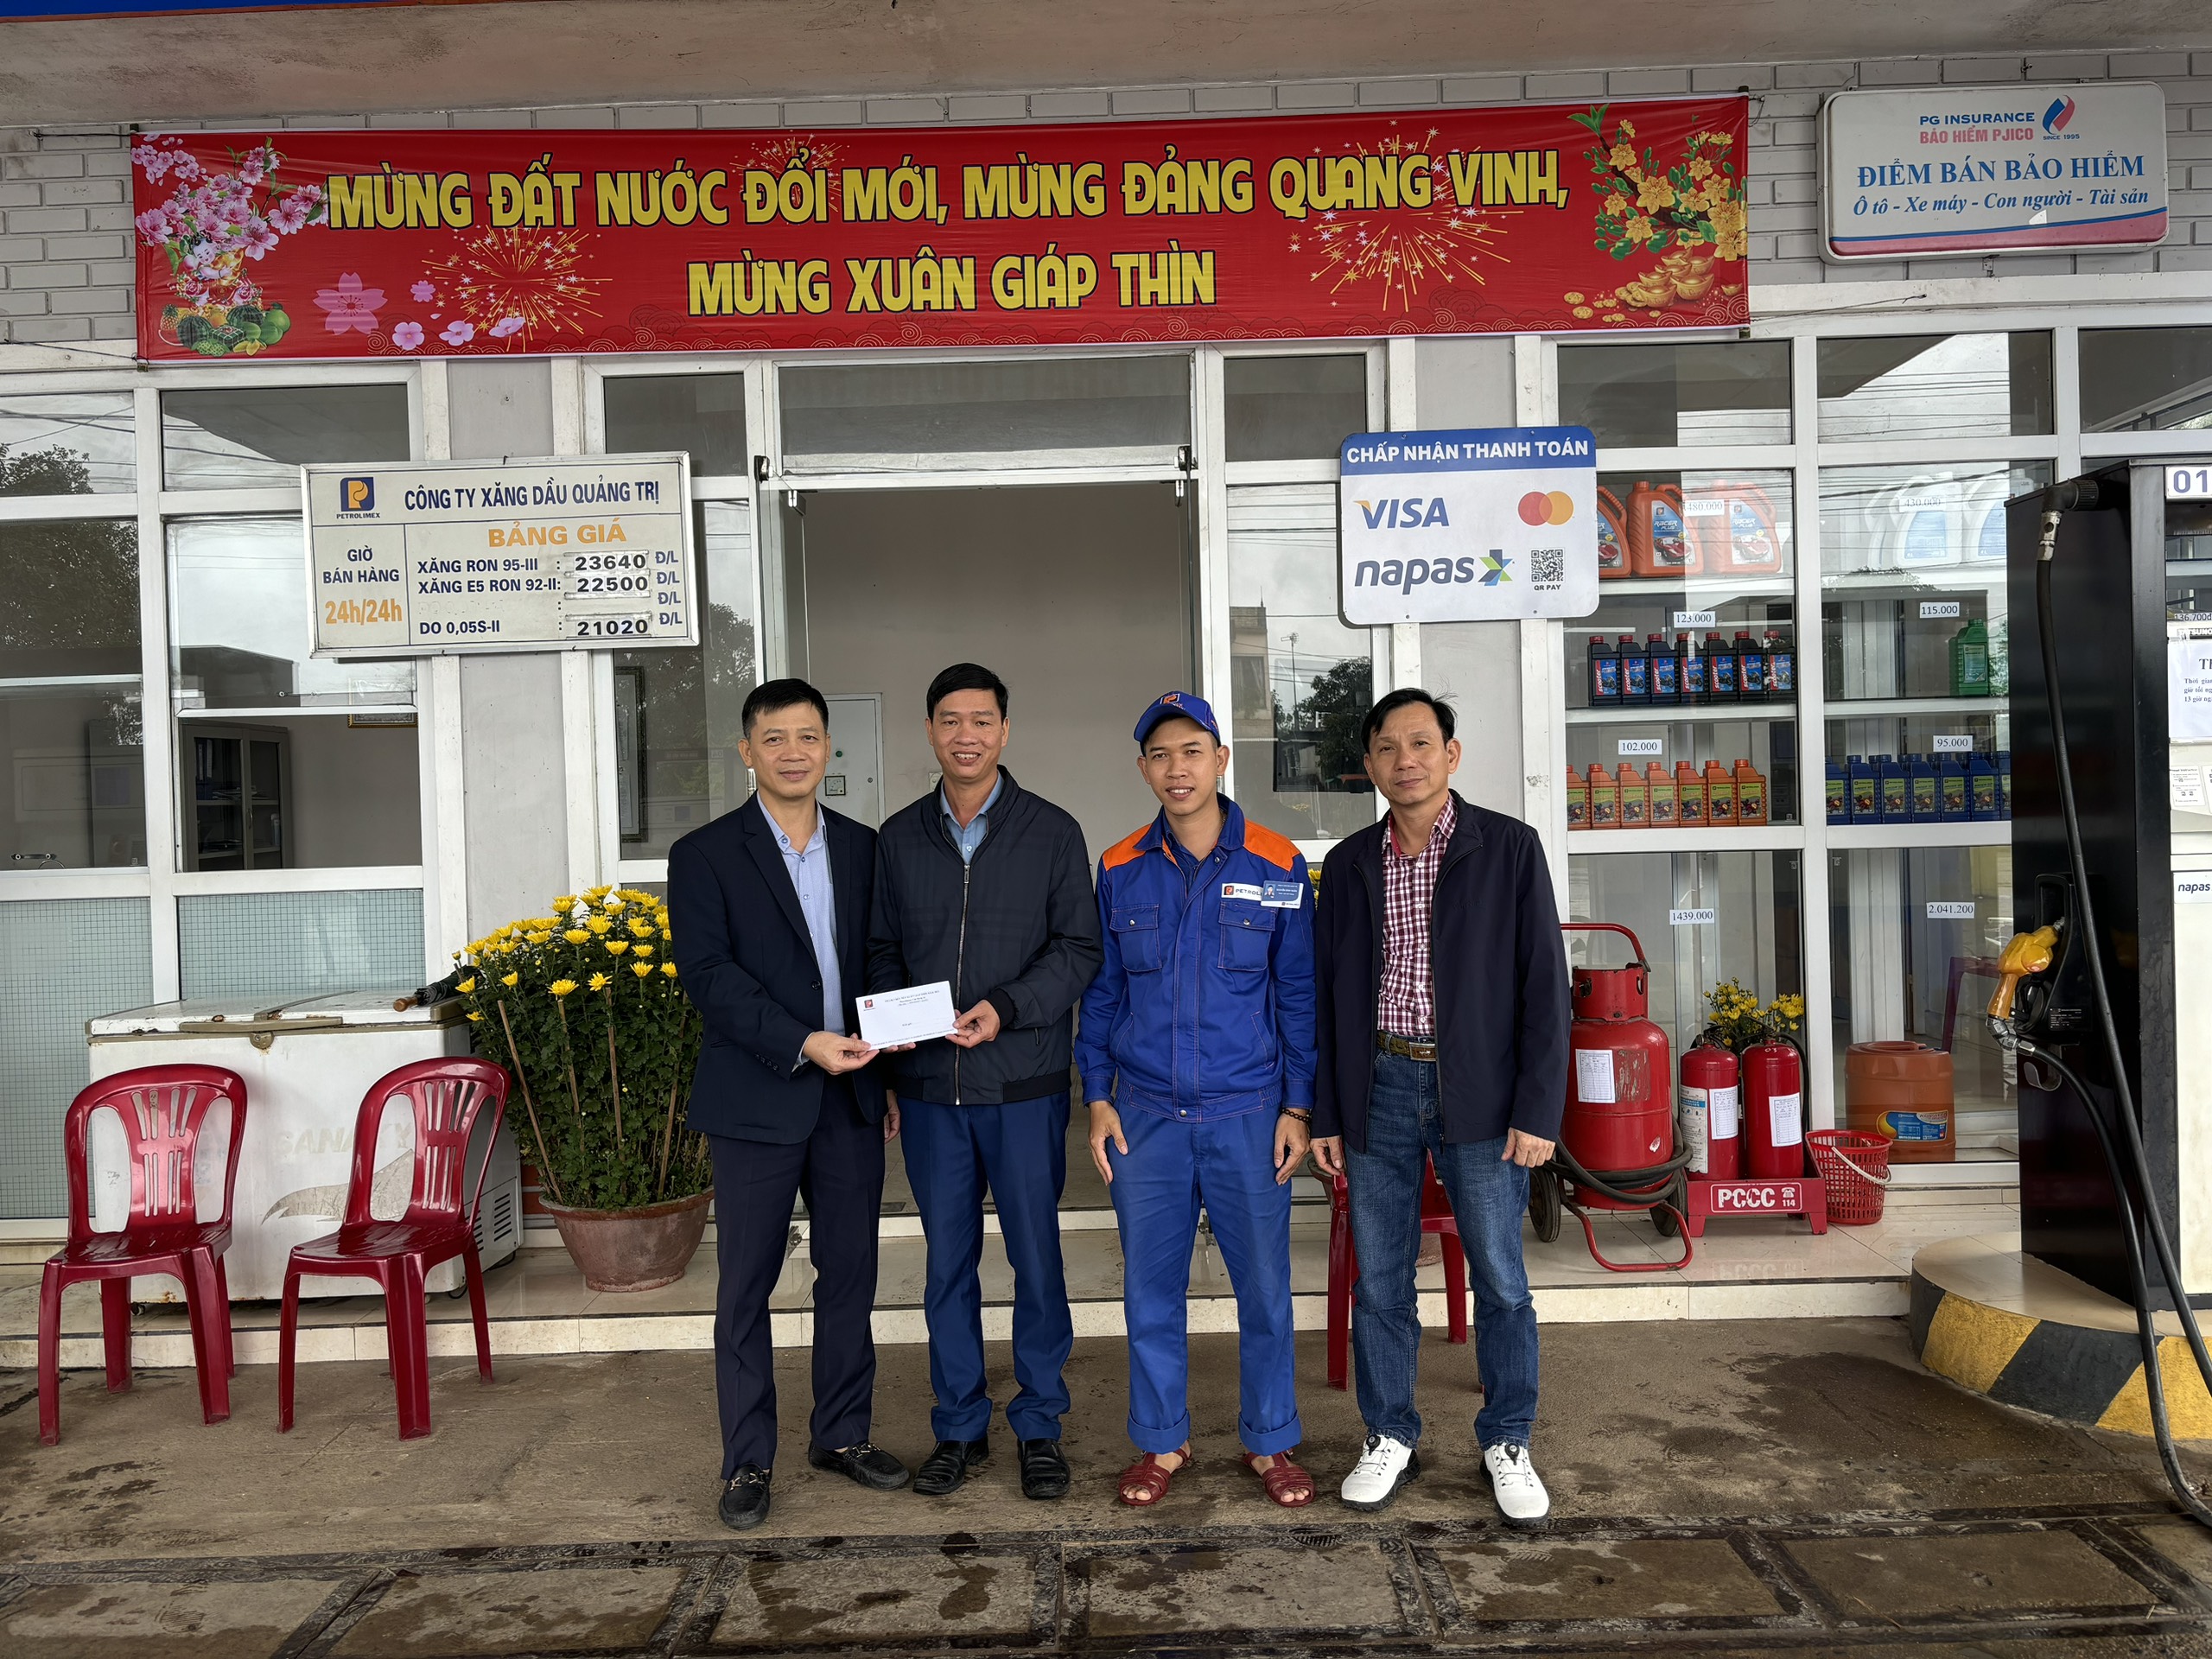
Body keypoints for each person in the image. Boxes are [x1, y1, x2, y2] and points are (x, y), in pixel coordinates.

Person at [1309, 688, 1570, 1529]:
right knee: (1381, 1279)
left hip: (1482, 1092)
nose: (1405, 761)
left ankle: (1507, 1438)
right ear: (1370, 765)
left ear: (1451, 755)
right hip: (1379, 1086)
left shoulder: (1509, 849)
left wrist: (1539, 1110)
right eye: (1387, 748)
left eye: (1421, 743)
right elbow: (1326, 1001)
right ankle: (1390, 1432)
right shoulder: (1350, 863)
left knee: (1500, 1277)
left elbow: (1544, 987)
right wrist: (1325, 1113)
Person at [670, 677, 910, 1532]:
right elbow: (710, 977)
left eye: (808, 736)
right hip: (756, 1100)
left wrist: (887, 1049)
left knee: (850, 1275)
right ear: (748, 751)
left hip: (850, 1098)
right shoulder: (704, 855)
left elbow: (881, 957)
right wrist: (804, 1040)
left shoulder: (864, 847)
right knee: (746, 1286)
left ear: (828, 747)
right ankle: (747, 1458)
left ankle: (841, 1434)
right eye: (775, 738)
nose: (793, 752)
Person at [868, 663, 1103, 1502]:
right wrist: (894, 1044)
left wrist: (1007, 1007)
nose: (965, 735)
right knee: (947, 1266)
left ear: (1004, 731)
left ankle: (1039, 1424)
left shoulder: (1052, 831)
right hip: (931, 1090)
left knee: (1037, 1262)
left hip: (1024, 1087)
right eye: (949, 720)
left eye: (980, 720)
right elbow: (880, 951)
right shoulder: (898, 838)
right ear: (930, 731)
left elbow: (1079, 950)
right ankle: (960, 1426)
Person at [1076, 693, 1317, 1510]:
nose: (1176, 769)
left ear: (1220, 759)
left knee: (1266, 1292)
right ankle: (1161, 1441)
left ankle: (1271, 1440)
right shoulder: (1118, 867)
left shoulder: (1278, 864)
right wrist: (1096, 1096)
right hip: (1145, 1116)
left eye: (1191, 752)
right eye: (1160, 755)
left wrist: (1298, 1108)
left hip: (1249, 1113)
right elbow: (1102, 993)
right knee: (1150, 1292)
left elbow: (1297, 996)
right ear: (1143, 768)